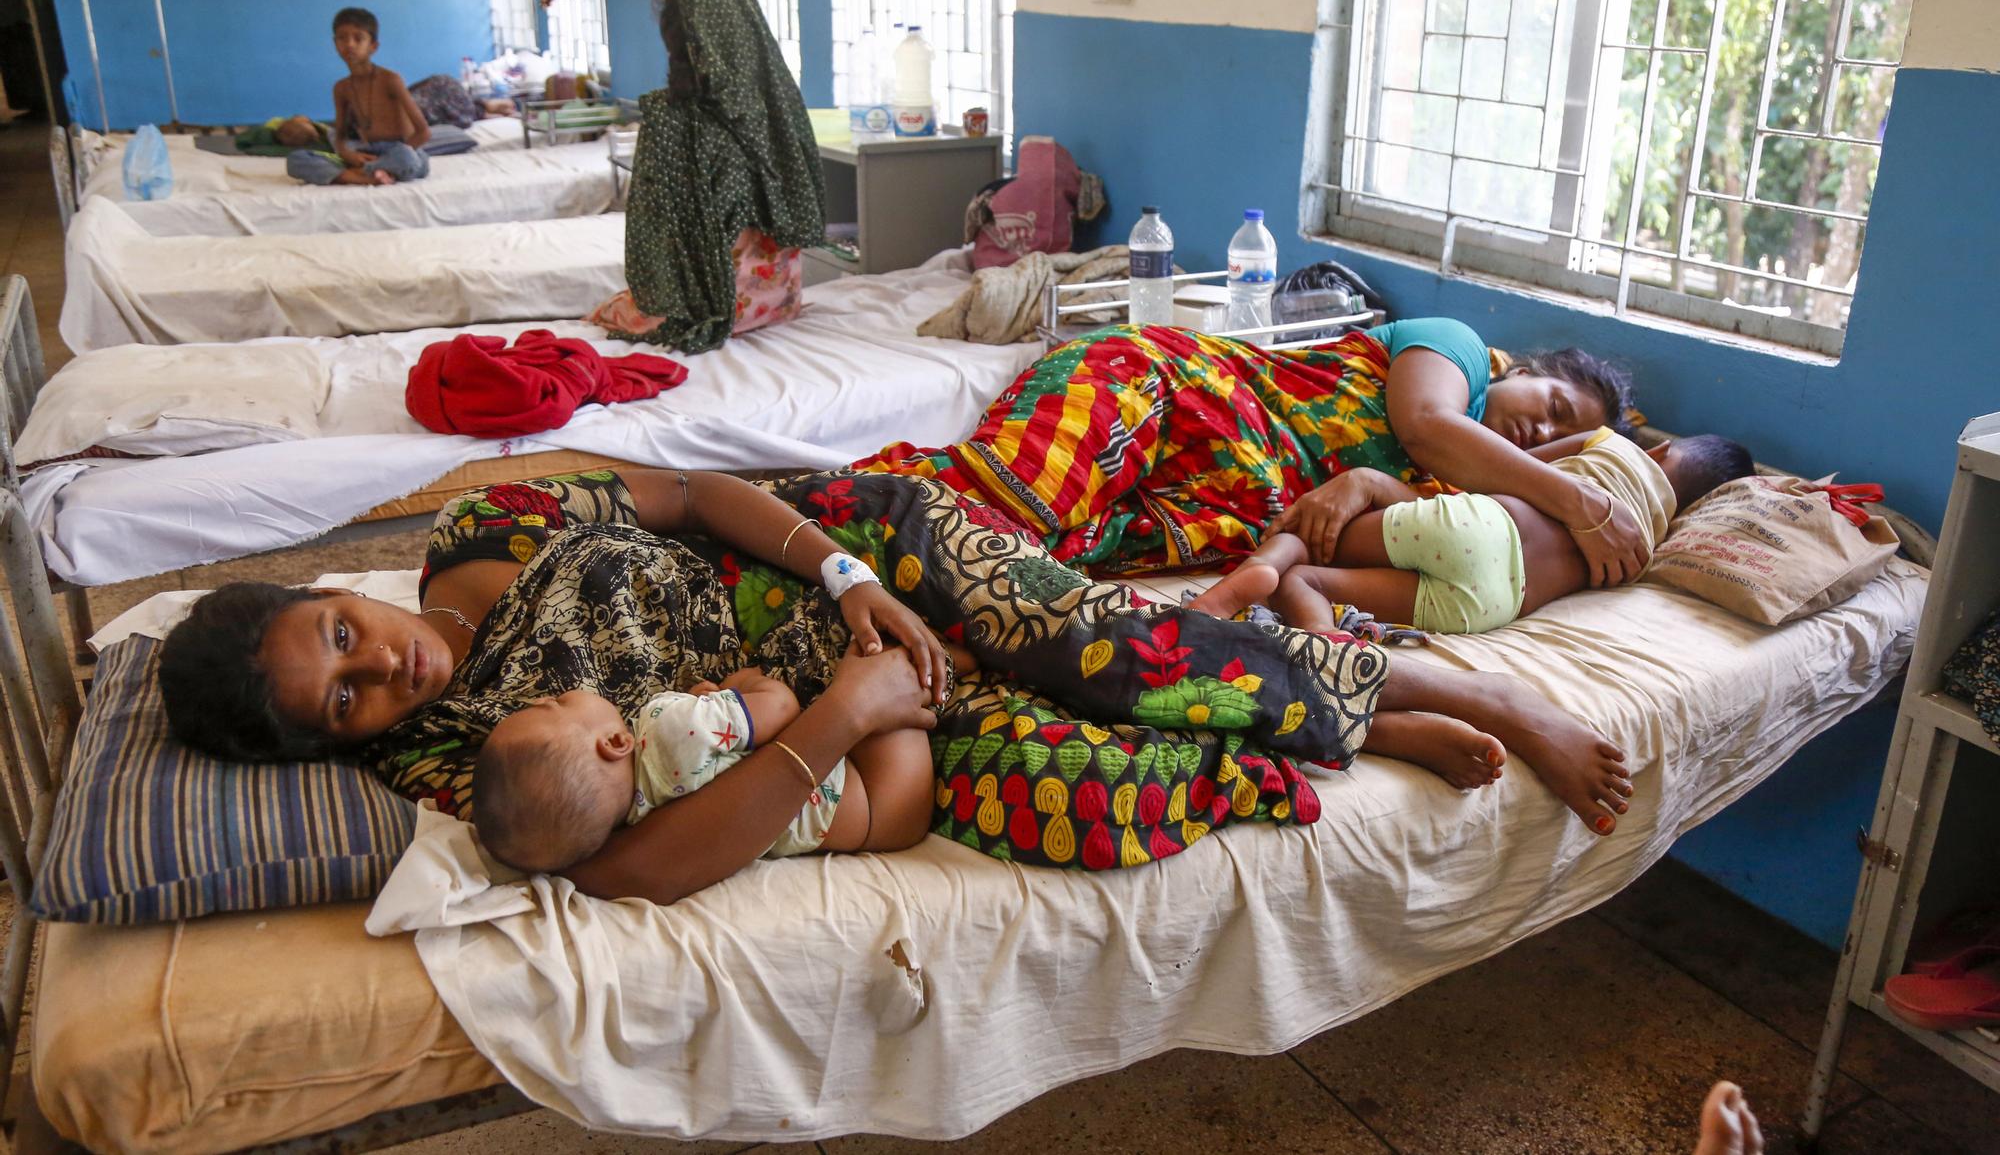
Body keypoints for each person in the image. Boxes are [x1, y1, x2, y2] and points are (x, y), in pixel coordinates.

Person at [157, 468, 1634, 909]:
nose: (383, 670)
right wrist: (848, 723)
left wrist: (850, 581)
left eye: (344, 633)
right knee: (1083, 797)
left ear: (336, 586)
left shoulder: (491, 526)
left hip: (849, 569)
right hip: (843, 714)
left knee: (1109, 644)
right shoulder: (445, 761)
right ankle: (1362, 718)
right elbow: (637, 867)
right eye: (340, 701)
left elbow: (688, 489)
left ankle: (1473, 699)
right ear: (325, 746)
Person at [855, 318, 1655, 592]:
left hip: (1206, 509)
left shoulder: (1456, 493)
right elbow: (1425, 424)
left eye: (1560, 435)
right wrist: (1578, 497)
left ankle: (814, 537)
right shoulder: (1459, 356)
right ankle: (790, 505)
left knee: (1011, 559)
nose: (1537, 436)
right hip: (1165, 393)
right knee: (1011, 498)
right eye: (1548, 405)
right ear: (1522, 368)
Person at [1194, 431, 1755, 636]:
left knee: (1317, 535)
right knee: (1318, 582)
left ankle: (1259, 571)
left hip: (1483, 523)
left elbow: (1514, 464)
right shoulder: (1648, 540)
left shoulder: (1613, 444)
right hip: (1494, 602)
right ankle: (1325, 643)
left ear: (1659, 448)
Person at [474, 670, 936, 873]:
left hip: (872, 823)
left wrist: (709, 708)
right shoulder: (669, 728)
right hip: (883, 787)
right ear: (615, 744)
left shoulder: (637, 817)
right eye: (557, 704)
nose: (553, 695)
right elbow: (779, 707)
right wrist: (743, 685)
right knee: (898, 661)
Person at [605, 0, 824, 352]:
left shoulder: (674, 121)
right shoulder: (780, 110)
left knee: (607, 312)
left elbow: (655, 242)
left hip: (721, 310)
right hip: (781, 302)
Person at [286, 6, 432, 188]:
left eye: (358, 38)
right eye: (342, 38)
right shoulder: (342, 88)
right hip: (365, 151)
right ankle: (368, 177)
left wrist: (386, 158)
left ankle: (356, 174)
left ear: (373, 46)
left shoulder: (391, 79)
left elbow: (424, 132)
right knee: (296, 159)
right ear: (335, 43)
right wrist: (347, 154)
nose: (349, 45)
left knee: (408, 160)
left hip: (401, 150)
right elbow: (340, 135)